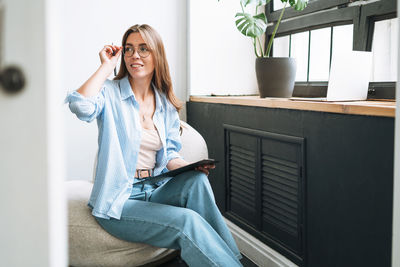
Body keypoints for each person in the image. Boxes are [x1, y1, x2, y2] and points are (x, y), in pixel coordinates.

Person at [65, 24, 242, 267]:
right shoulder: (110, 93)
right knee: (186, 221)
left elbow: (170, 154)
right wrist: (106, 66)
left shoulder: (165, 103)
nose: (134, 55)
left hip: (154, 190)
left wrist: (189, 166)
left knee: (196, 181)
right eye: (128, 49)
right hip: (119, 200)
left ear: (156, 55)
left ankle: (230, 261)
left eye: (143, 49)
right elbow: (80, 106)